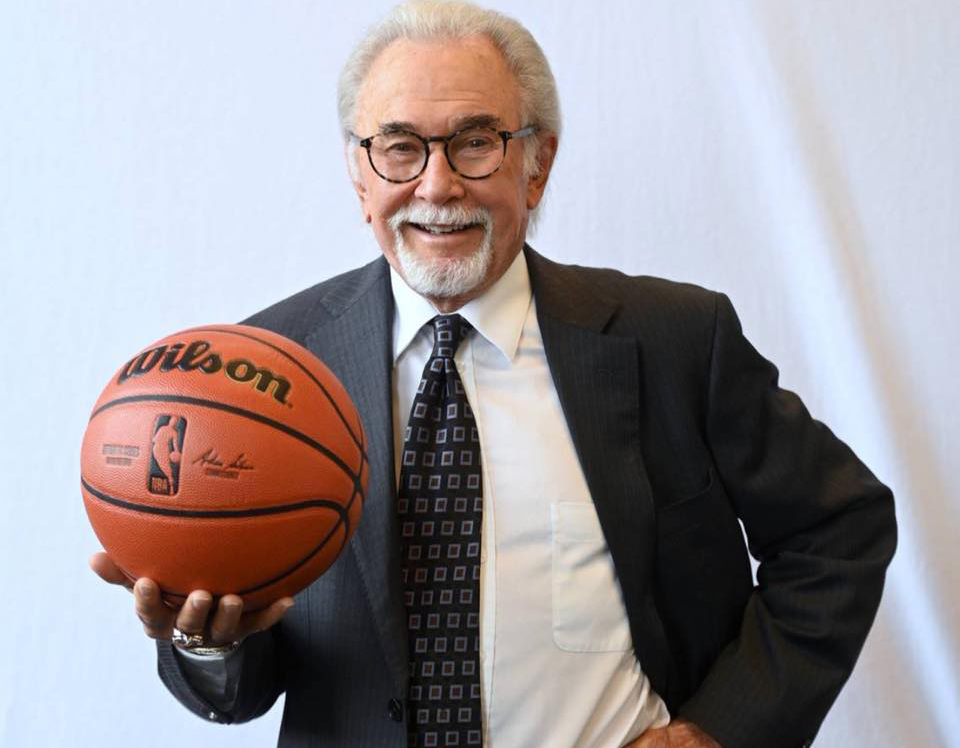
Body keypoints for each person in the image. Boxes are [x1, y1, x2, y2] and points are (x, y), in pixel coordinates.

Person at [90, 2, 896, 747]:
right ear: (359, 176)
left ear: (536, 165)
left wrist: (718, 730)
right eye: (399, 147)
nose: (437, 184)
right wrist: (207, 640)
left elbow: (840, 529)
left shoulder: (675, 341)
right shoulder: (266, 371)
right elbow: (239, 693)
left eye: (476, 142)